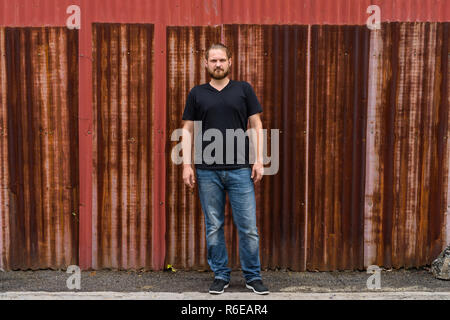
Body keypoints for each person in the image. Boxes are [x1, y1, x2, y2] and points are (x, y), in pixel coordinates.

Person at [181, 43, 269, 295]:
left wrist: (259, 159)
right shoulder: (197, 93)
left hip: (240, 169)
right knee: (214, 226)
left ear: (231, 61)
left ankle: (253, 276)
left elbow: (255, 124)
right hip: (207, 171)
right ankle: (221, 275)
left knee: (248, 226)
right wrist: (187, 164)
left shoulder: (243, 89)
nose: (218, 65)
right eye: (213, 61)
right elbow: (187, 129)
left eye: (222, 60)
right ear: (206, 63)